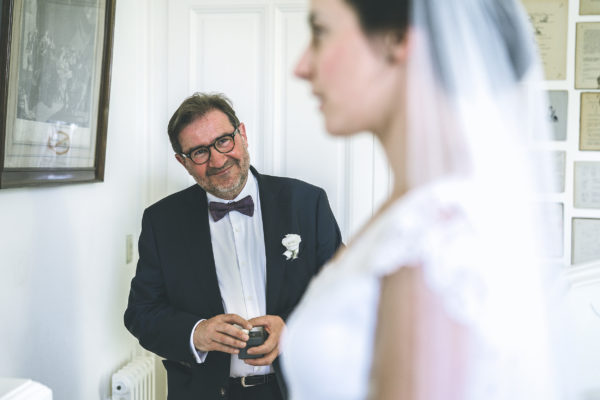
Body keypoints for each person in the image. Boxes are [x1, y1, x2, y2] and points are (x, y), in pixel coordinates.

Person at [282, 0, 570, 399]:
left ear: (397, 40)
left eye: (319, 31)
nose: (301, 66)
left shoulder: (434, 232)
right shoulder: (415, 210)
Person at [124, 92, 343, 400]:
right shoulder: (162, 221)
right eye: (199, 152)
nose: (217, 160)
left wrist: (292, 330)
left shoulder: (308, 203)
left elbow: (342, 294)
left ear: (242, 134)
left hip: (297, 388)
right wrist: (195, 332)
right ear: (182, 162)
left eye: (224, 140)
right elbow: (141, 314)